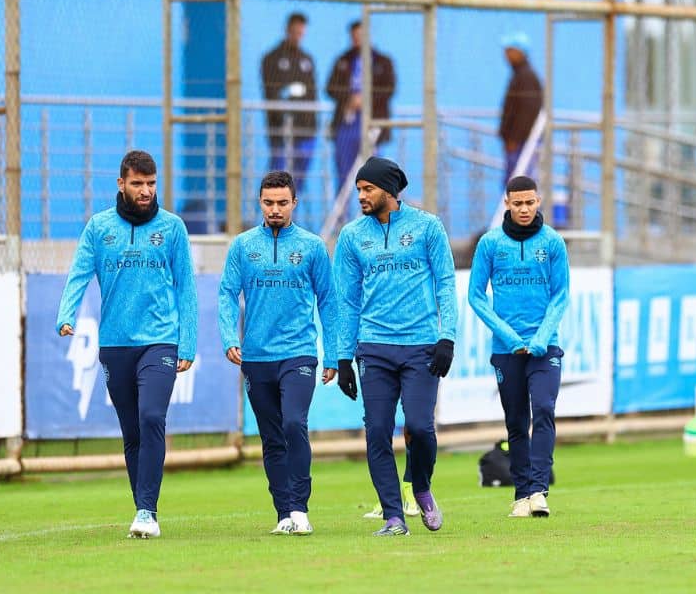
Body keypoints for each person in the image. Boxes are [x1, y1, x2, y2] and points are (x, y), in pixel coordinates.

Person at [56, 150, 197, 539]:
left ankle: (147, 511)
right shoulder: (99, 227)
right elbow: (79, 273)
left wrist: (188, 342)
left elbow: (186, 286)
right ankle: (143, 507)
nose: (146, 190)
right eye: (138, 184)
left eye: (151, 184)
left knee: (152, 417)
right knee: (132, 431)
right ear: (121, 184)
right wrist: (66, 313)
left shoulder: (172, 228)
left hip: (160, 341)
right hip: (115, 344)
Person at [333, 156, 456, 536]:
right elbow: (347, 299)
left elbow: (446, 284)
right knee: (377, 431)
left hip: (421, 346)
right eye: (358, 190)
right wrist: (342, 356)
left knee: (419, 427)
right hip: (374, 348)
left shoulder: (427, 227)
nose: (361, 197)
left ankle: (420, 485)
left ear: (390, 190)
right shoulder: (352, 236)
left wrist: (446, 336)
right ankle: (393, 516)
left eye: (367, 189)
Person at [218, 171, 337, 536]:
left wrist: (332, 354)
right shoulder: (242, 246)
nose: (275, 209)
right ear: (260, 203)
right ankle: (283, 512)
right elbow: (226, 293)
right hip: (256, 356)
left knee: (293, 424)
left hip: (299, 353)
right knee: (271, 437)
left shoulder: (313, 246)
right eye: (268, 203)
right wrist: (228, 337)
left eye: (282, 203)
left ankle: (300, 507)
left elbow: (329, 301)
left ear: (294, 203)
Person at [468, 176, 569, 518]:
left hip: (545, 348)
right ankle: (522, 493)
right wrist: (510, 337)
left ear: (538, 202)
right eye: (517, 203)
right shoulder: (491, 244)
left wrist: (541, 338)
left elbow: (561, 295)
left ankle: (539, 491)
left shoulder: (553, 242)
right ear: (507, 204)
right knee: (515, 422)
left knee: (543, 409)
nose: (524, 209)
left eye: (530, 202)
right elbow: (475, 296)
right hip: (506, 350)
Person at [325, 21, 396, 193]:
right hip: (347, 123)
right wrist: (350, 99)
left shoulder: (383, 62)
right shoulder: (343, 60)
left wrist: (366, 99)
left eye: (361, 36)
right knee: (344, 174)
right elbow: (330, 88)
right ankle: (343, 217)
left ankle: (376, 217)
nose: (358, 39)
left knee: (375, 175)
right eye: (355, 36)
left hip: (373, 124)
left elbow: (389, 89)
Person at [260, 12, 318, 185]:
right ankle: (273, 210)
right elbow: (271, 91)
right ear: (287, 30)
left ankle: (294, 209)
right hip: (280, 128)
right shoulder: (271, 58)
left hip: (305, 127)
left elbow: (312, 92)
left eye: (301, 33)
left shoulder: (306, 59)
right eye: (294, 32)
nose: (297, 36)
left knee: (299, 177)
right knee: (279, 175)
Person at [497, 32, 543, 184]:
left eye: (509, 50)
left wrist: (514, 139)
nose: (506, 55)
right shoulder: (520, 75)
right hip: (518, 141)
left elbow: (527, 112)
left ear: (519, 52)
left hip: (521, 142)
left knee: (519, 181)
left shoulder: (526, 77)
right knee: (515, 181)